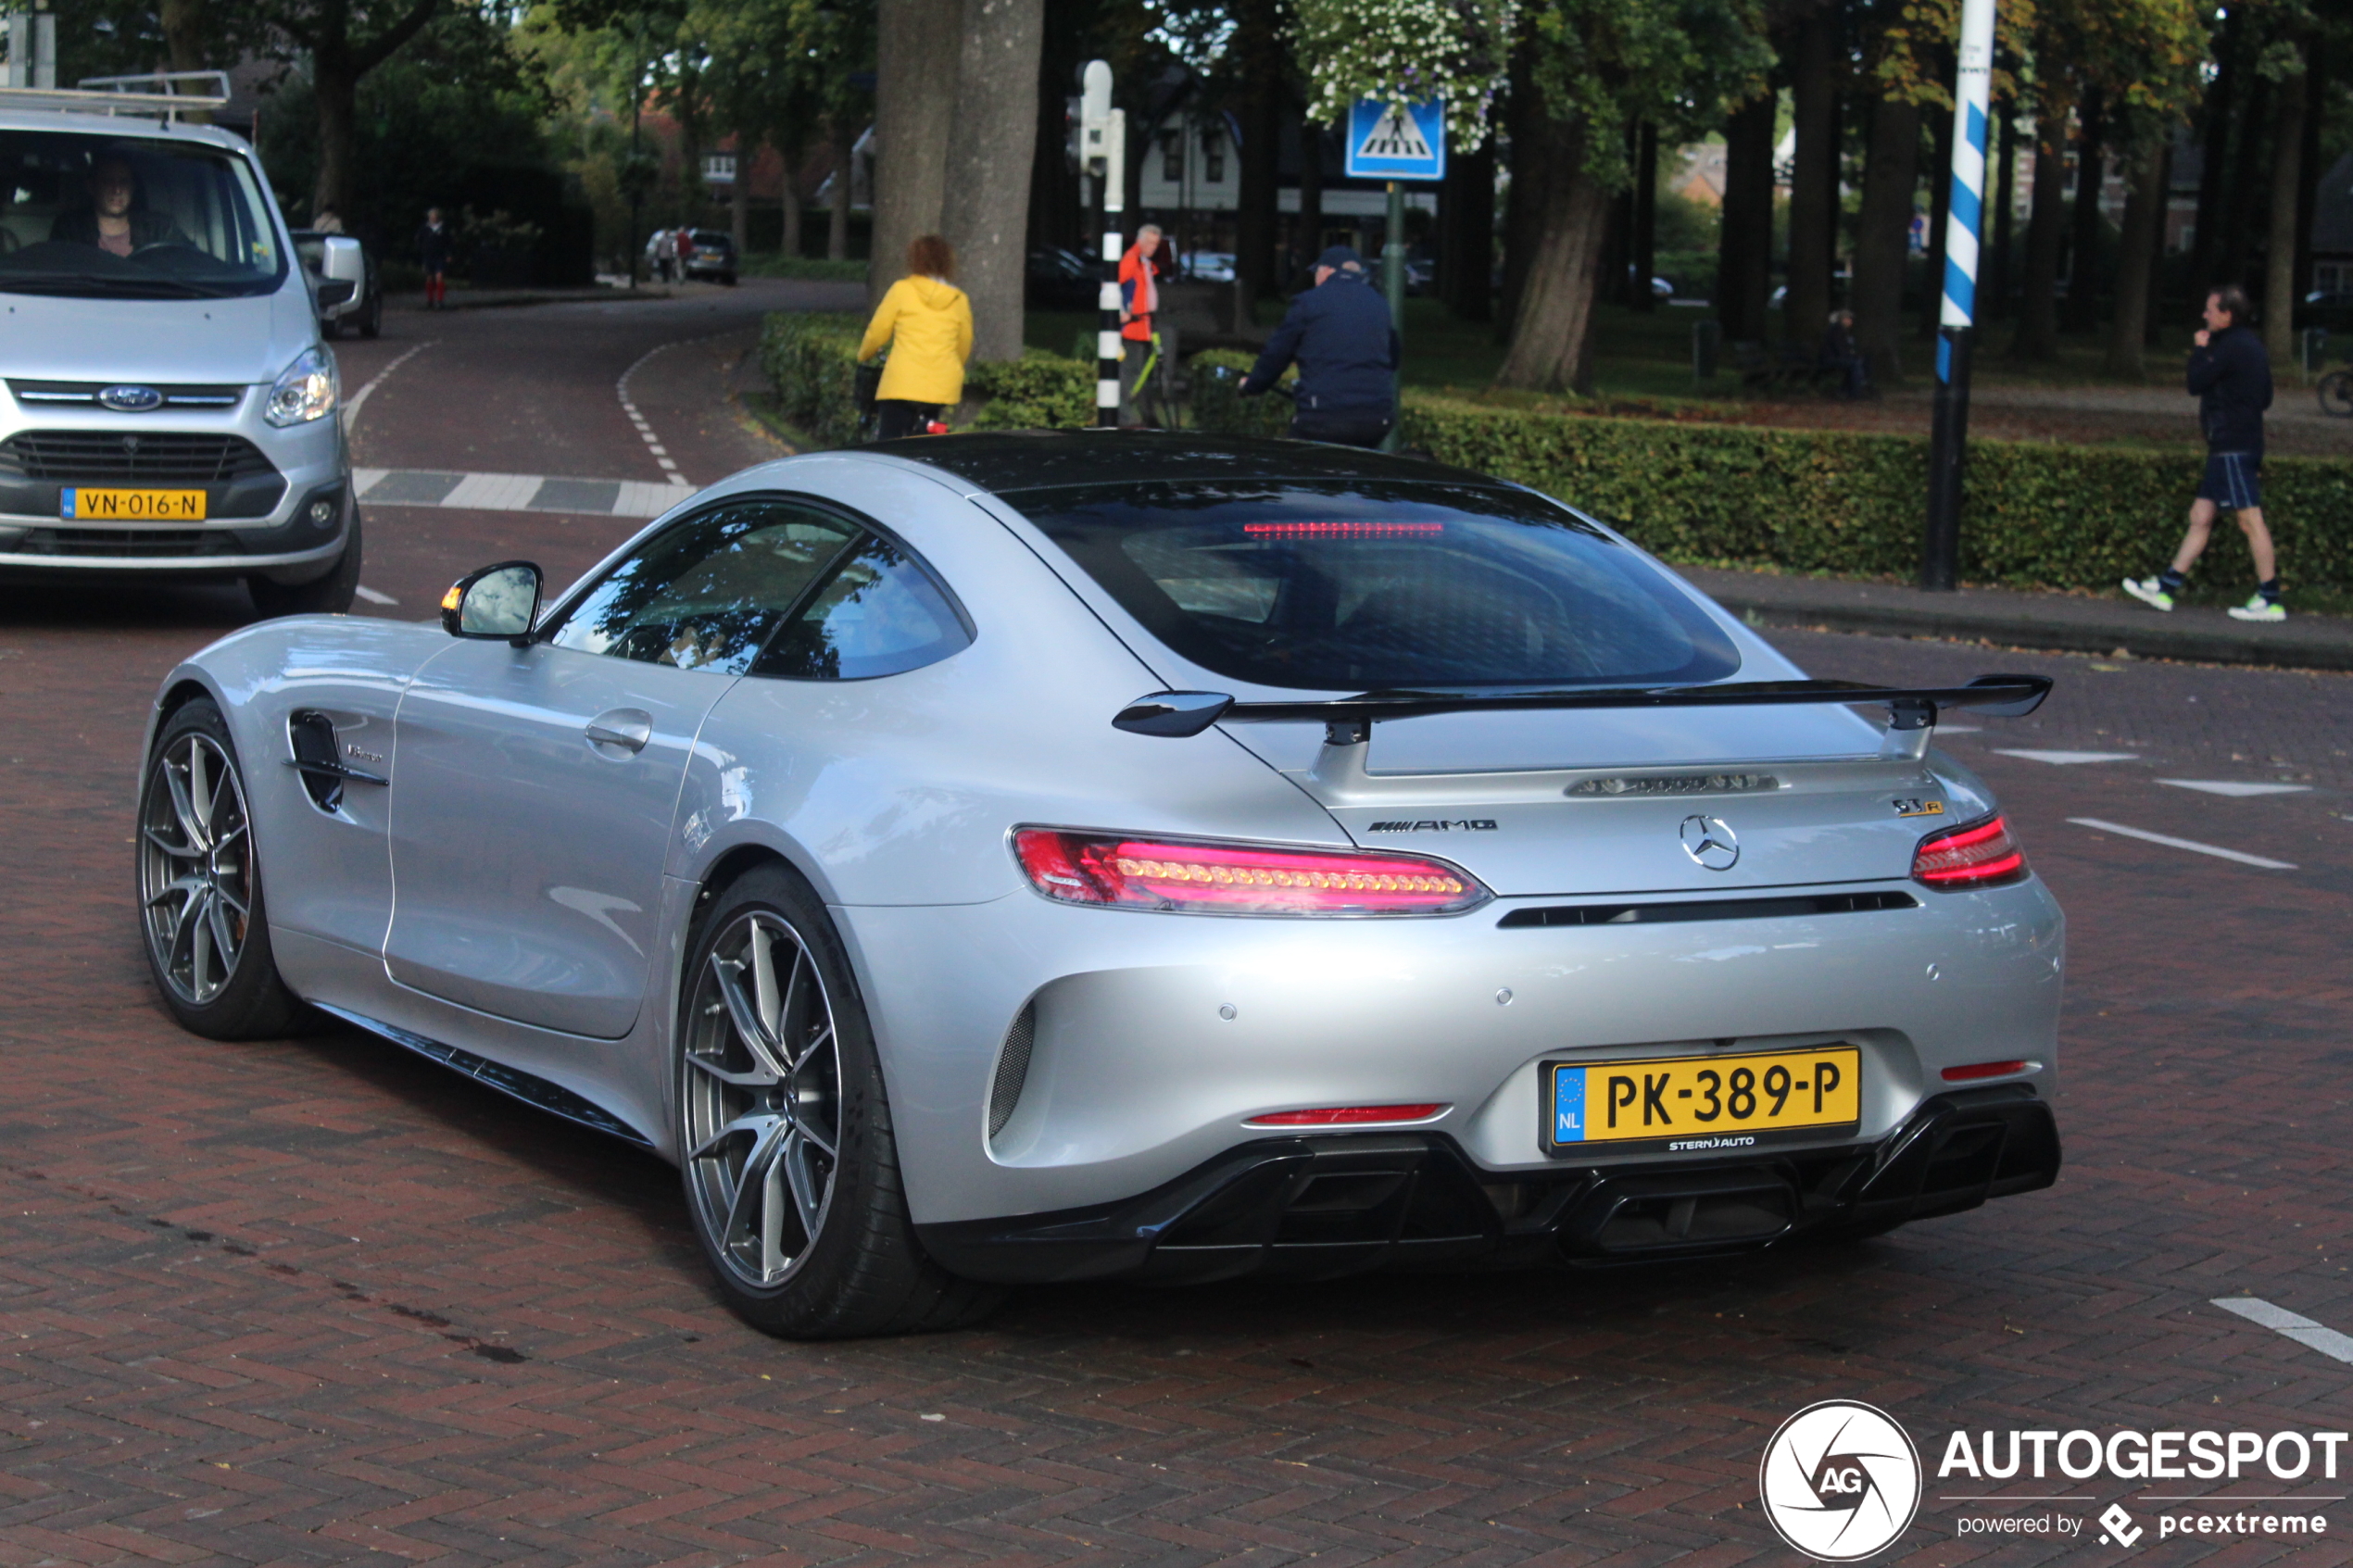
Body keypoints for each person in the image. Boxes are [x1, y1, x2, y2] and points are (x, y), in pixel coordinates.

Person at [2124, 284, 2283, 621]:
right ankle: (2166, 587)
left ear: (2227, 314)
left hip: (2231, 445)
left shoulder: (2225, 348)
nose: (2205, 315)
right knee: (2201, 516)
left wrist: (2200, 350)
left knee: (2249, 520)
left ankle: (2270, 598)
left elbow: (2196, 382)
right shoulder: (2254, 346)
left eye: (2210, 309)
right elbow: (2266, 396)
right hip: (2236, 442)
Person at [1238, 245, 1400, 447]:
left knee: (1296, 464)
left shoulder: (1308, 303)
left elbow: (1277, 354)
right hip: (1377, 418)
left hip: (1324, 416)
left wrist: (1251, 385)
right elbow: (1393, 359)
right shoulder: (1379, 304)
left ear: (1326, 271)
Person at [856, 233, 974, 441]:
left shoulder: (902, 290)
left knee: (888, 443)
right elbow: (964, 343)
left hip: (903, 381)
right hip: (941, 384)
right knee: (928, 440)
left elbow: (878, 331)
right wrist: (954, 366)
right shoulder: (959, 299)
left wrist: (864, 355)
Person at [52, 153, 190, 256]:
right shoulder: (70, 229)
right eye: (108, 181)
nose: (117, 190)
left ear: (133, 187)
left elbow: (189, 261)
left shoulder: (161, 228)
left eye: (123, 182)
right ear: (92, 187)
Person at [1117, 223, 1167, 424]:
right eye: (1150, 243)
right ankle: (1126, 418)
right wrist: (1122, 312)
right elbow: (1113, 283)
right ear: (1141, 241)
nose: (1153, 247)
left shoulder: (1143, 262)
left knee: (1143, 373)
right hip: (1132, 328)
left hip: (1144, 327)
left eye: (1156, 244)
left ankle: (1146, 416)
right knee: (1130, 373)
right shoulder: (1133, 259)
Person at [1819, 308, 1869, 398]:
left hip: (1836, 357)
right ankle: (1855, 393)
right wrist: (1850, 357)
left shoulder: (1841, 331)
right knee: (1855, 365)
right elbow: (1839, 348)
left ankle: (1844, 390)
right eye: (1849, 319)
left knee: (1860, 362)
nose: (1851, 321)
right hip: (1831, 359)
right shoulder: (1837, 330)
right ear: (1843, 319)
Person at [416, 207, 453, 310]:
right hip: (428, 256)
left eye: (435, 216)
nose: (433, 218)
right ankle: (430, 300)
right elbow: (419, 240)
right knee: (429, 277)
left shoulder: (443, 228)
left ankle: (440, 301)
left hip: (440, 256)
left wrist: (449, 254)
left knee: (439, 276)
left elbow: (449, 242)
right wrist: (422, 250)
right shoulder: (424, 228)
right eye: (432, 216)